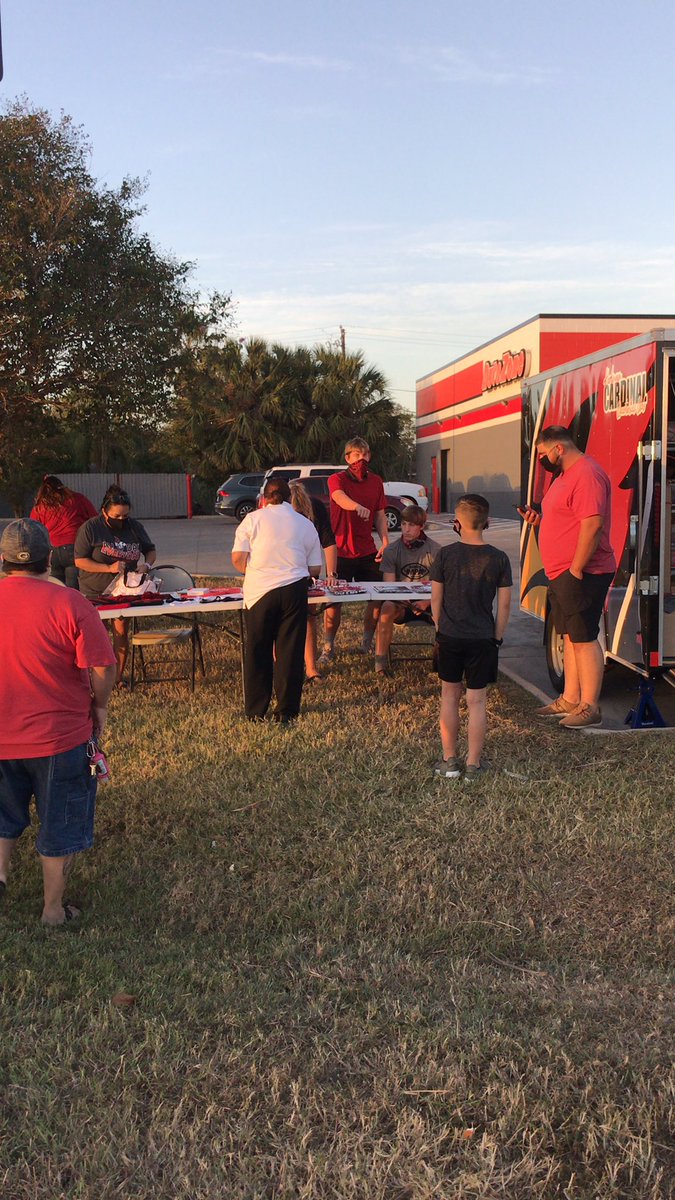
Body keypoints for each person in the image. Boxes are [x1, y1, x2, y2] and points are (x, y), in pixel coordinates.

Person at [0, 519, 116, 926]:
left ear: (2, 560)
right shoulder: (70, 603)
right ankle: (52, 910)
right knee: (60, 824)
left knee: (3, 816)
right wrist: (98, 707)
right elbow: (101, 665)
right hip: (59, 739)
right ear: (50, 557)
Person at [519, 426, 616, 729]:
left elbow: (592, 525)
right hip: (560, 572)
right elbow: (566, 517)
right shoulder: (563, 477)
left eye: (543, 454)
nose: (542, 461)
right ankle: (570, 698)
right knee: (570, 636)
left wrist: (575, 570)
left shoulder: (587, 474)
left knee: (584, 636)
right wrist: (539, 519)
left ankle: (590, 706)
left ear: (558, 448)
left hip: (583, 572)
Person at [431, 494, 512, 781]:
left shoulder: (445, 554)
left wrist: (440, 628)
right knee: (477, 701)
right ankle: (474, 764)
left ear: (457, 523)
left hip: (450, 635)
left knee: (449, 697)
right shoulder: (499, 558)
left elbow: (436, 597)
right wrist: (497, 636)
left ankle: (449, 759)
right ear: (487, 522)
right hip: (482, 638)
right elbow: (503, 605)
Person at [232, 476, 322, 723]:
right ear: (289, 497)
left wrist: (258, 570)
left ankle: (256, 711)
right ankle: (287, 710)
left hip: (260, 591)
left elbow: (238, 559)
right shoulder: (304, 523)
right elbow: (315, 568)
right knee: (290, 652)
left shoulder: (252, 519)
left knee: (258, 651)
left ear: (264, 497)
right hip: (294, 590)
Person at [74, 485, 156, 685]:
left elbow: (150, 550)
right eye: (116, 516)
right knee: (94, 636)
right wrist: (108, 568)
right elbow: (80, 560)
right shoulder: (91, 528)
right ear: (104, 511)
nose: (121, 520)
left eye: (124, 516)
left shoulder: (134, 527)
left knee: (120, 632)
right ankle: (92, 679)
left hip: (123, 590)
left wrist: (146, 565)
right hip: (94, 591)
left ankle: (117, 679)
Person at [319, 437, 389, 666]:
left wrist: (385, 540)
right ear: (347, 458)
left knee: (377, 598)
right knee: (333, 602)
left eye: (365, 455)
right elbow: (339, 497)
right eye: (357, 455)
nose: (362, 459)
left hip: (367, 550)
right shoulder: (336, 479)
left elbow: (379, 515)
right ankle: (328, 646)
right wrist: (356, 506)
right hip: (339, 552)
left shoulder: (376, 481)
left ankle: (366, 643)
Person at [374, 504, 441, 676]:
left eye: (411, 525)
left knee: (446, 611)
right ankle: (380, 663)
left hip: (429, 603)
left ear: (421, 526)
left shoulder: (435, 550)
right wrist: (404, 602)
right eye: (403, 524)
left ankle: (441, 662)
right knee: (386, 608)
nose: (406, 529)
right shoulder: (391, 550)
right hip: (401, 603)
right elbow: (389, 587)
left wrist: (426, 602)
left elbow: (441, 586)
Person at [288, 480, 338, 682]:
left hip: (304, 573)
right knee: (295, 619)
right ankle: (298, 668)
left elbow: (328, 541)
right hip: (288, 574)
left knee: (308, 616)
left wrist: (332, 575)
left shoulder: (315, 508)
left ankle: (309, 668)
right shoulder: (279, 512)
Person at [30, 475, 97, 589]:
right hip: (74, 547)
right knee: (73, 590)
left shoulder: (39, 507)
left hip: (51, 551)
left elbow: (33, 530)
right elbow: (94, 519)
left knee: (55, 589)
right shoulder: (77, 499)